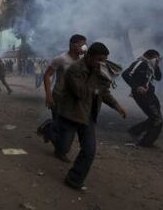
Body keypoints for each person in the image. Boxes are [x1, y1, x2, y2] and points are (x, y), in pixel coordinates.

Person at [48, 42, 127, 190]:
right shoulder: (75, 70)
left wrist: (117, 106)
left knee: (89, 151)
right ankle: (49, 128)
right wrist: (96, 76)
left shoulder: (99, 70)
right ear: (89, 56)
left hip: (88, 116)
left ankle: (74, 179)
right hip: (71, 114)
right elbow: (81, 93)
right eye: (99, 59)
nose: (101, 63)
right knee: (63, 148)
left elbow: (103, 92)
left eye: (104, 60)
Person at [37, 34, 87, 162]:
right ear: (72, 45)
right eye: (82, 44)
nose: (84, 47)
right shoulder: (60, 59)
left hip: (74, 98)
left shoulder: (83, 60)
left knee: (69, 125)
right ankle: (59, 149)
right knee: (61, 126)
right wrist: (48, 95)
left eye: (84, 44)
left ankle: (50, 132)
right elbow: (47, 75)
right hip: (60, 97)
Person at [122, 49, 163, 147]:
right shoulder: (140, 63)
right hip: (141, 95)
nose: (157, 60)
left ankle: (135, 131)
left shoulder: (151, 66)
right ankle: (146, 142)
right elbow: (126, 74)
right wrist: (136, 87)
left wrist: (157, 65)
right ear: (149, 57)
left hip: (150, 94)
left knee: (156, 117)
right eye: (156, 58)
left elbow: (158, 77)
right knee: (157, 119)